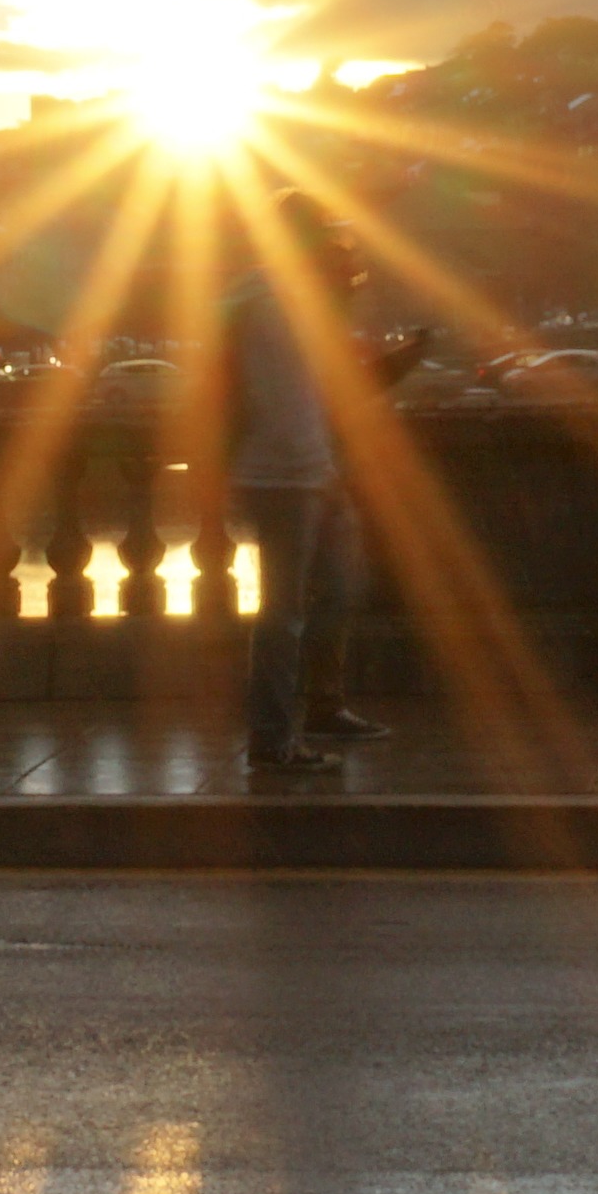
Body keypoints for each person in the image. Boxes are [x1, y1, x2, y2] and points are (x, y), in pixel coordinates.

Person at [227, 196, 391, 784]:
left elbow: (336, 382)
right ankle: (272, 740)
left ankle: (323, 707)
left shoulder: (308, 298)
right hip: (277, 472)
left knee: (342, 589)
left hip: (318, 468)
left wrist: (397, 363)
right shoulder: (254, 296)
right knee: (284, 613)